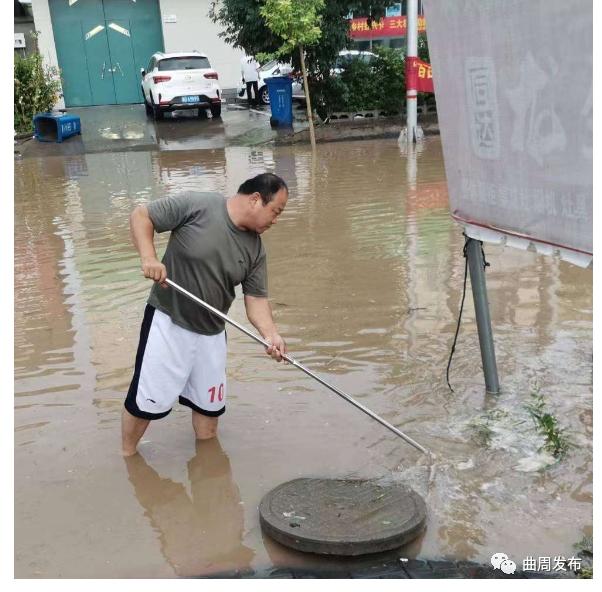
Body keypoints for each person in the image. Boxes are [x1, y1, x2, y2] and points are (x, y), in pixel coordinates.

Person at [122, 173, 289, 456]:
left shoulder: (255, 250)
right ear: (256, 199)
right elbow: (142, 216)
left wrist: (271, 335)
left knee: (209, 411)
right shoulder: (198, 205)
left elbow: (256, 300)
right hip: (169, 321)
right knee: (146, 404)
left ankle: (209, 473)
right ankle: (126, 457)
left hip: (211, 333)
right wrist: (149, 257)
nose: (275, 220)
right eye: (275, 211)